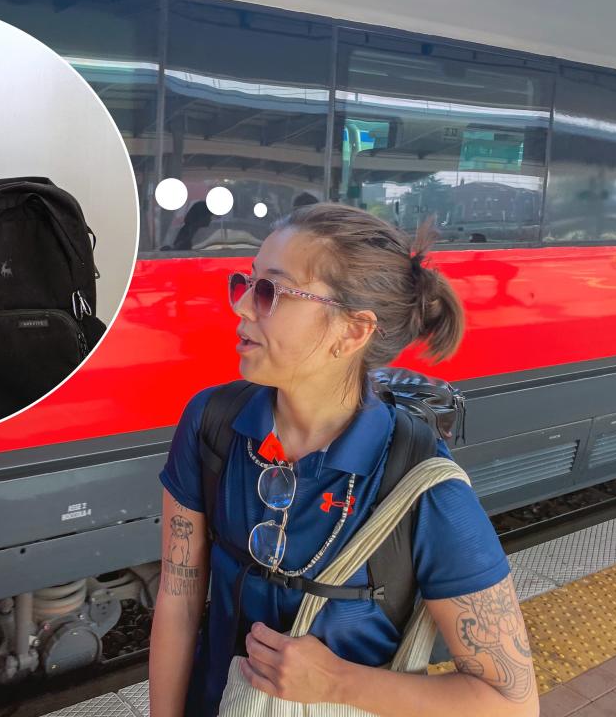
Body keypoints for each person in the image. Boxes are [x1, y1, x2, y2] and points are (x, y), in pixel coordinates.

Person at [149, 203, 538, 717]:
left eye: (272, 292)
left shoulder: (424, 489)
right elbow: (177, 600)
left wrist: (336, 683)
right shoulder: (211, 423)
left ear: (353, 332)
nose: (242, 307)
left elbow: (512, 702)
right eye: (246, 283)